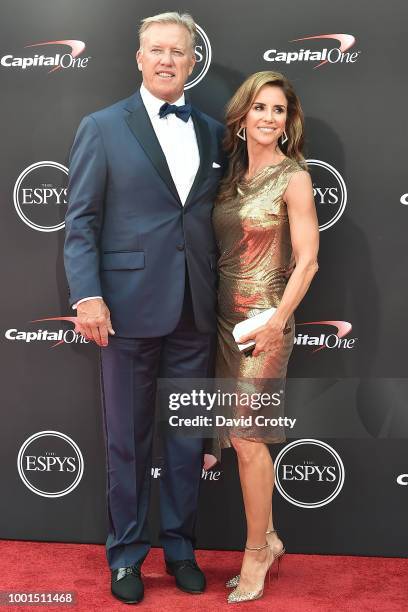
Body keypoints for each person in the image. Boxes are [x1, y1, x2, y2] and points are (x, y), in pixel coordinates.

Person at [64, 12, 225, 605]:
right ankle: (127, 555)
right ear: (138, 58)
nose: (166, 60)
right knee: (127, 440)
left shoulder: (212, 131)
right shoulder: (103, 127)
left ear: (191, 61)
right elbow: (80, 221)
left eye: (177, 52)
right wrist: (87, 294)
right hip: (124, 311)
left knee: (186, 438)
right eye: (155, 50)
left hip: (195, 310)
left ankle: (181, 549)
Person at [212, 71, 319, 603]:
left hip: (266, 326)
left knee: (249, 441)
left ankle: (256, 553)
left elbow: (308, 261)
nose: (269, 117)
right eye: (260, 107)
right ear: (243, 115)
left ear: (287, 121)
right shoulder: (230, 179)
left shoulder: (293, 176)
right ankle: (269, 537)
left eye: (279, 109)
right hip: (222, 324)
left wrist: (278, 319)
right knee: (237, 442)